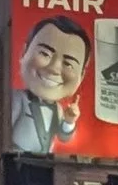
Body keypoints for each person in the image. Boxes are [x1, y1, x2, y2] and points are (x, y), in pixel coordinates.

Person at [10, 15, 92, 155]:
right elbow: (2, 130)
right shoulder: (17, 99)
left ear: (81, 76)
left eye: (68, 64)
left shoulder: (58, 109)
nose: (54, 68)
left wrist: (69, 120)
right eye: (45, 54)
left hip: (44, 165)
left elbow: (63, 137)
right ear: (24, 53)